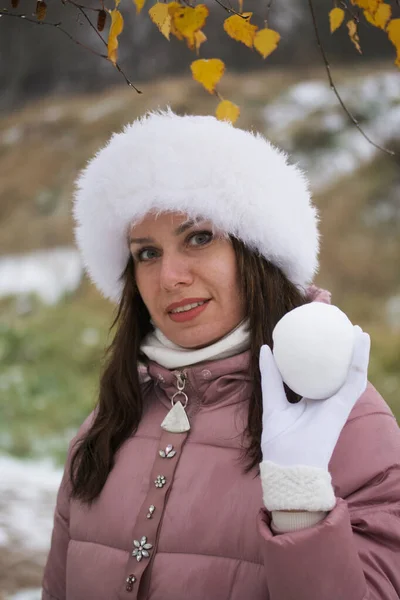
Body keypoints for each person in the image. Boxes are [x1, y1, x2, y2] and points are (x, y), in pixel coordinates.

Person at [42, 109, 400, 600]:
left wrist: (299, 509)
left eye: (199, 237)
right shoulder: (109, 421)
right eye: (147, 253)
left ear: (256, 252)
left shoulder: (345, 422)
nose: (169, 278)